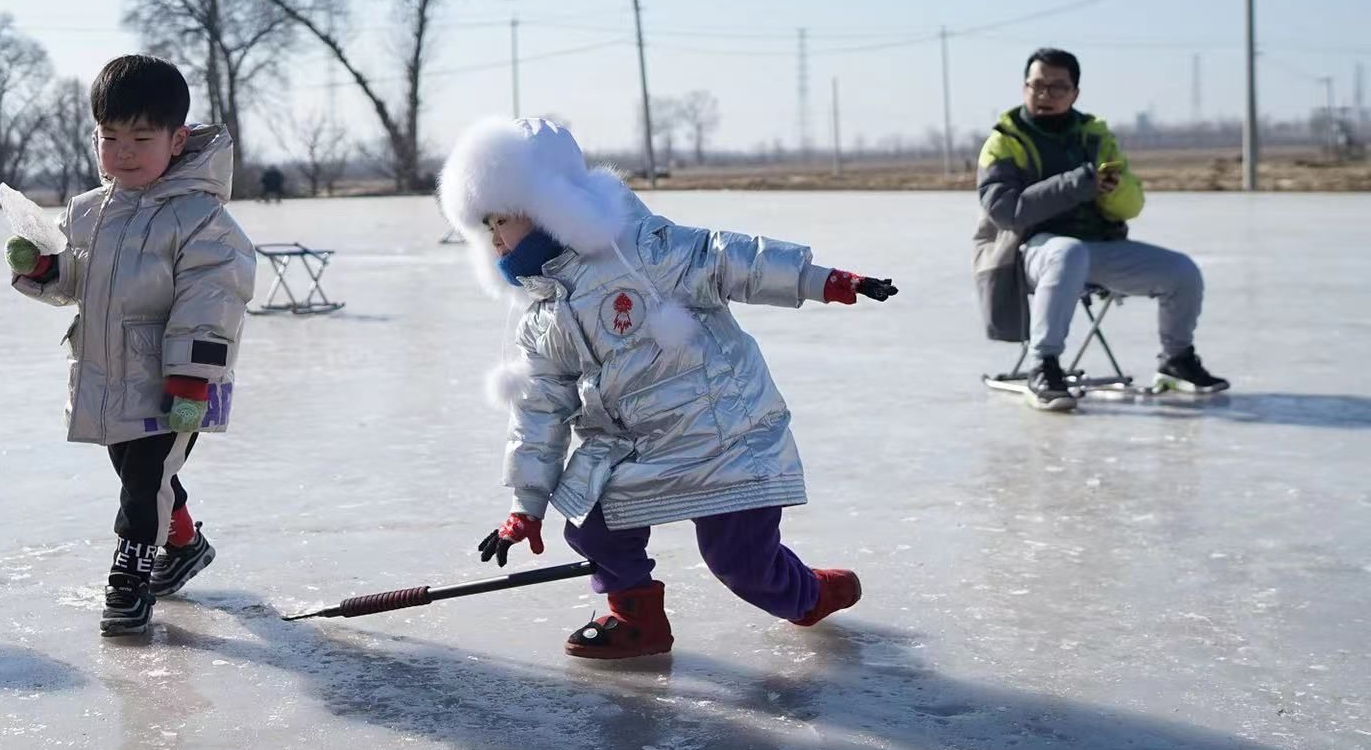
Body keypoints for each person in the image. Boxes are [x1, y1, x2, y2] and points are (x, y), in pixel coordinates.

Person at [438, 117, 897, 660]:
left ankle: (812, 595)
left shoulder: (644, 249)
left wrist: (823, 280)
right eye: (485, 225)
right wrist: (527, 505)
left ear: (543, 206)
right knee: (594, 530)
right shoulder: (540, 317)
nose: (494, 238)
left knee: (741, 564)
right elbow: (540, 412)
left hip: (721, 432)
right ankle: (636, 621)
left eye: (502, 219)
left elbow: (729, 259)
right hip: (634, 448)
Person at [6, 55, 255, 635]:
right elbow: (76, 284)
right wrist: (44, 266)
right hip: (104, 373)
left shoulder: (203, 219)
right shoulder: (91, 211)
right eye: (109, 137)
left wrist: (193, 378)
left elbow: (212, 298)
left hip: (174, 385)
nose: (123, 152)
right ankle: (186, 543)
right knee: (141, 477)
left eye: (142, 138)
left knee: (143, 485)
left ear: (177, 140)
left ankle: (130, 579)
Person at [974, 47, 1228, 411]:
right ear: (1024, 87)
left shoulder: (1094, 137)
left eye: (1058, 87)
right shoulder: (1003, 142)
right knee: (1067, 252)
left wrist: (1113, 188)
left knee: (1180, 271)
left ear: (1075, 93)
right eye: (1037, 85)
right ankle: (1043, 366)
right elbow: (1006, 211)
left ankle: (1176, 361)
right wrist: (1078, 183)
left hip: (1091, 250)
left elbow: (1131, 206)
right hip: (1028, 254)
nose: (1045, 94)